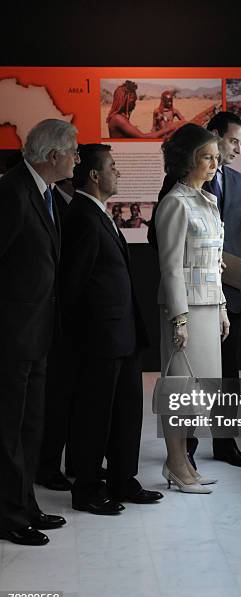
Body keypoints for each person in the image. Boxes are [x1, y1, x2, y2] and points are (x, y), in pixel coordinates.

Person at [152, 111, 241, 469]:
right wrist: (203, 262)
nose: (239, 148)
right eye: (233, 140)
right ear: (214, 137)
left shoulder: (239, 182)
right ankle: (184, 452)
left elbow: (240, 235)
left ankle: (226, 444)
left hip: (227, 293)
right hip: (192, 295)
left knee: (227, 373)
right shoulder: (179, 185)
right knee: (187, 374)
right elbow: (162, 240)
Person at [60, 144, 163, 515]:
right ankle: (87, 489)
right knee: (94, 416)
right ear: (94, 175)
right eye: (113, 166)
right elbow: (71, 286)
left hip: (123, 334)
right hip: (99, 339)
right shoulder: (82, 217)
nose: (118, 172)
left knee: (125, 413)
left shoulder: (98, 214)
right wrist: (82, 338)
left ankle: (123, 480)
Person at [0, 118, 78, 545]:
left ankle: (25, 505)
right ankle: (9, 515)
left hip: (37, 334)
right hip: (12, 337)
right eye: (74, 151)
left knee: (31, 426)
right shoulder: (11, 192)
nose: (77, 158)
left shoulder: (45, 192)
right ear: (53, 156)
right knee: (9, 429)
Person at [155, 123, 228, 493]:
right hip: (184, 312)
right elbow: (169, 266)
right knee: (179, 390)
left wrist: (222, 307)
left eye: (216, 157)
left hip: (208, 306)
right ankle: (177, 464)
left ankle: (183, 463)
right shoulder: (174, 202)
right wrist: (179, 317)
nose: (214, 164)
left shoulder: (208, 201)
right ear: (188, 160)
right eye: (207, 157)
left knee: (201, 393)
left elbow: (214, 262)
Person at [107, 80, 182, 139]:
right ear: (124, 101)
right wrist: (169, 128)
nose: (134, 104)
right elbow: (143, 137)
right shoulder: (118, 119)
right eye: (133, 101)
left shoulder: (119, 117)